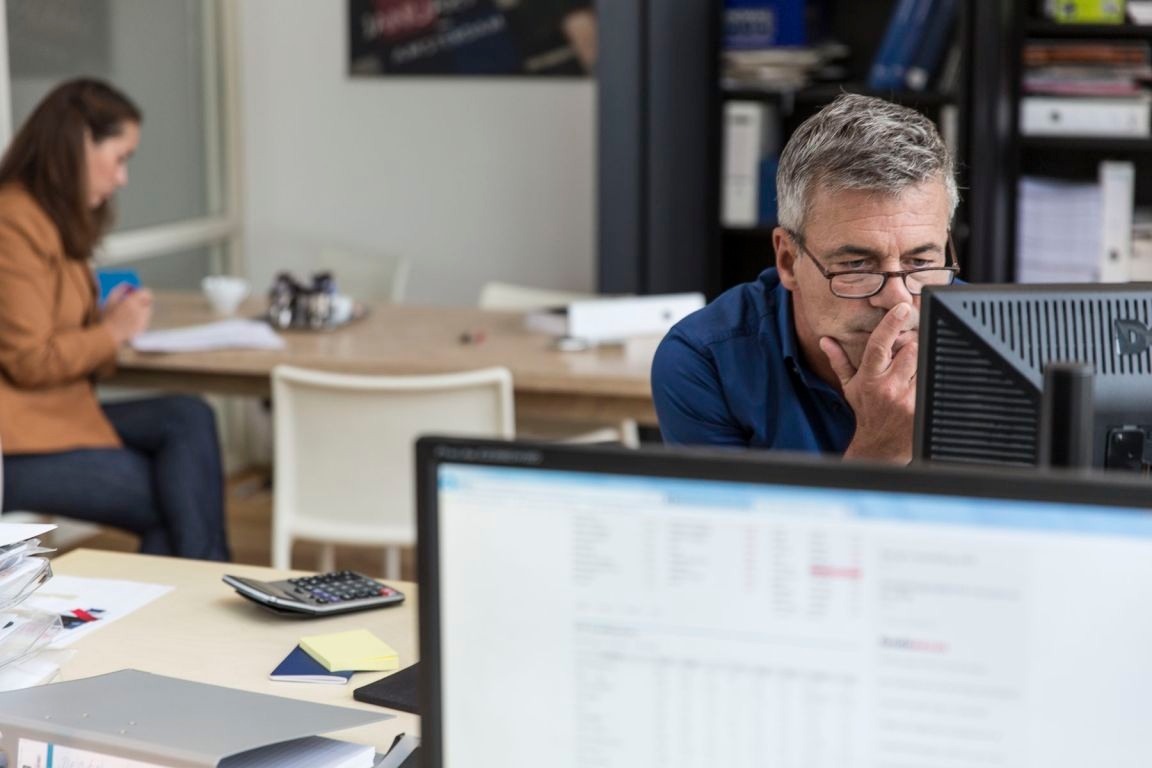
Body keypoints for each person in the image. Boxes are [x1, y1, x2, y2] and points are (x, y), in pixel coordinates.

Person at [651, 93, 960, 464]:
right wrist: (880, 451)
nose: (897, 300)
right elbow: (733, 524)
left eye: (921, 261)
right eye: (857, 264)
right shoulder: (706, 361)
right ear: (787, 260)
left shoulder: (1004, 344)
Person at [0, 78, 230, 560]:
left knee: (189, 416)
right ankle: (205, 602)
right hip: (16, 441)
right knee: (178, 498)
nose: (123, 178)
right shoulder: (14, 220)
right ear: (81, 142)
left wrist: (104, 322)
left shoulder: (50, 218)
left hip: (53, 414)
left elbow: (47, 331)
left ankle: (201, 598)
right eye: (120, 158)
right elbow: (27, 360)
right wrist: (111, 332)